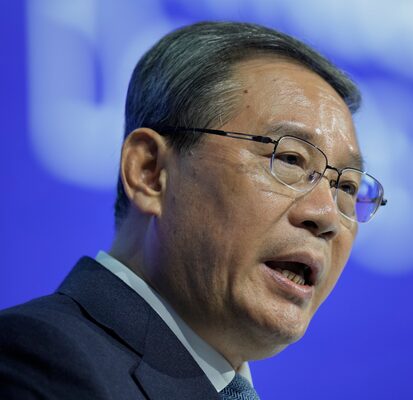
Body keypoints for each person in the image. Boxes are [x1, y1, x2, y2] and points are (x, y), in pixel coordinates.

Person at [0, 21, 386, 399]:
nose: (327, 216)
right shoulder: (39, 361)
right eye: (290, 159)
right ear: (150, 172)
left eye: (346, 187)